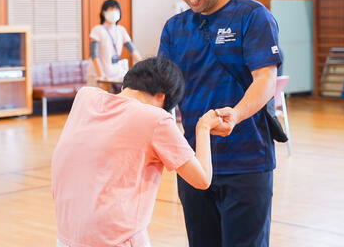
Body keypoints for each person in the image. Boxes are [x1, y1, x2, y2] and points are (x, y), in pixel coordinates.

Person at [158, 0, 283, 247]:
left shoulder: (252, 16)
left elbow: (265, 79)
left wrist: (236, 114)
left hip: (247, 162)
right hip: (194, 164)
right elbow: (160, 92)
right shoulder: (174, 29)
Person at [51, 56, 225, 247]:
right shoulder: (156, 119)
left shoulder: (85, 97)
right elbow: (202, 179)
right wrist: (204, 127)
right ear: (162, 97)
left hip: (66, 237)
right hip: (117, 240)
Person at [88, 0, 142, 88]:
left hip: (115, 75)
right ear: (103, 12)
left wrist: (145, 67)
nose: (114, 12)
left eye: (117, 9)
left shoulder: (121, 30)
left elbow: (133, 50)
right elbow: (94, 56)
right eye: (111, 9)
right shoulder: (97, 30)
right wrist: (101, 76)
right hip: (98, 76)